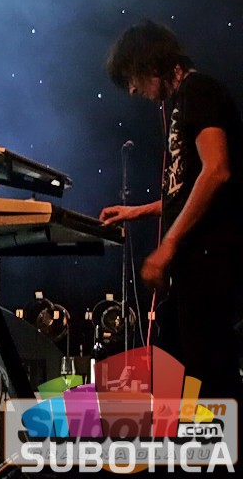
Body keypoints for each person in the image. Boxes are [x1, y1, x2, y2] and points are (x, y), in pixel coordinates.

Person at [99, 20, 243, 400]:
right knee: (178, 371)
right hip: (192, 264)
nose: (133, 90)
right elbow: (187, 188)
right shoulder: (181, 103)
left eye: (132, 78)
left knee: (211, 379)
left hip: (210, 258)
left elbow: (217, 170)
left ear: (150, 63)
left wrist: (168, 246)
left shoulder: (200, 91)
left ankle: (221, 440)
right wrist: (137, 212)